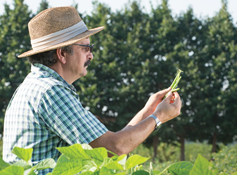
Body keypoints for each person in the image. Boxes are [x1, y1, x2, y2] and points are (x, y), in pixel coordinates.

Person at [2, 6, 182, 174]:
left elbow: (108, 142)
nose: (91, 55)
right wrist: (159, 117)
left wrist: (148, 111)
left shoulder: (33, 86)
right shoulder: (52, 92)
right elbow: (113, 150)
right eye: (86, 47)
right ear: (62, 54)